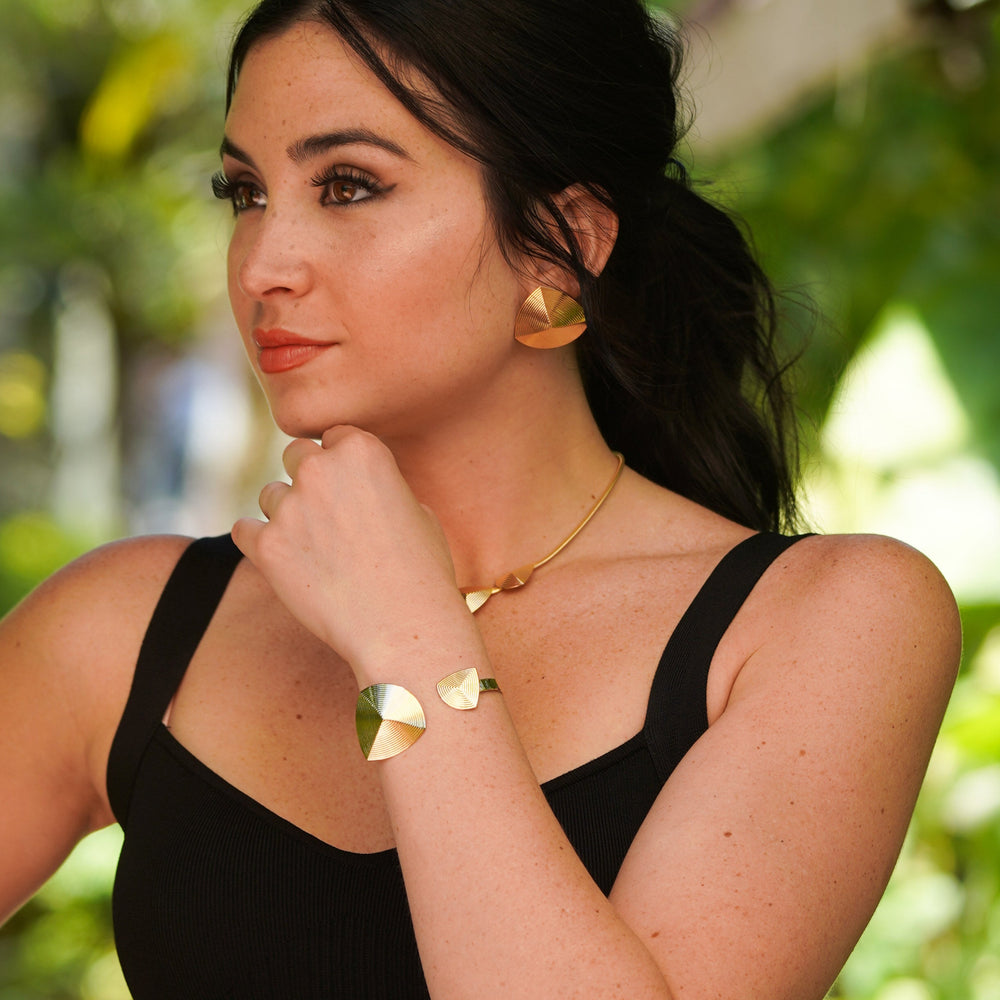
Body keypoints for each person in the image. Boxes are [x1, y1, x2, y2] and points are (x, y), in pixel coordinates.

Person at [0, 1, 960, 997]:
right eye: (245, 192)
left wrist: (408, 643)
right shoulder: (128, 628)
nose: (263, 266)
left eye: (348, 185)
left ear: (560, 241)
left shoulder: (825, 620)